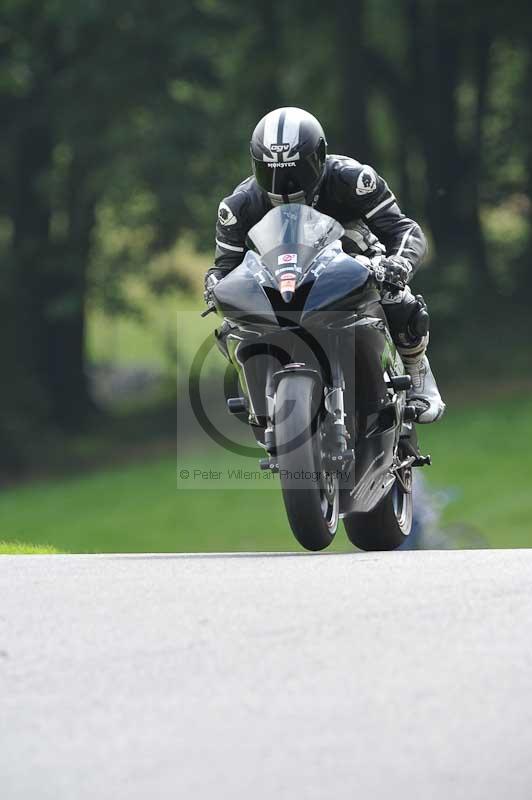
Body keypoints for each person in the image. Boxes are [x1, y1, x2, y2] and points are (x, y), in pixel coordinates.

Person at [204, 107, 445, 423]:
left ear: (318, 156)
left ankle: (416, 374)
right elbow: (225, 268)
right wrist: (214, 286)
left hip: (354, 267)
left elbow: (403, 229)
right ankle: (259, 401)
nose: (284, 183)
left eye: (295, 170)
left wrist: (397, 263)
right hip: (283, 283)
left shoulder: (353, 179)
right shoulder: (238, 205)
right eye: (271, 172)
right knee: (231, 325)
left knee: (400, 298)